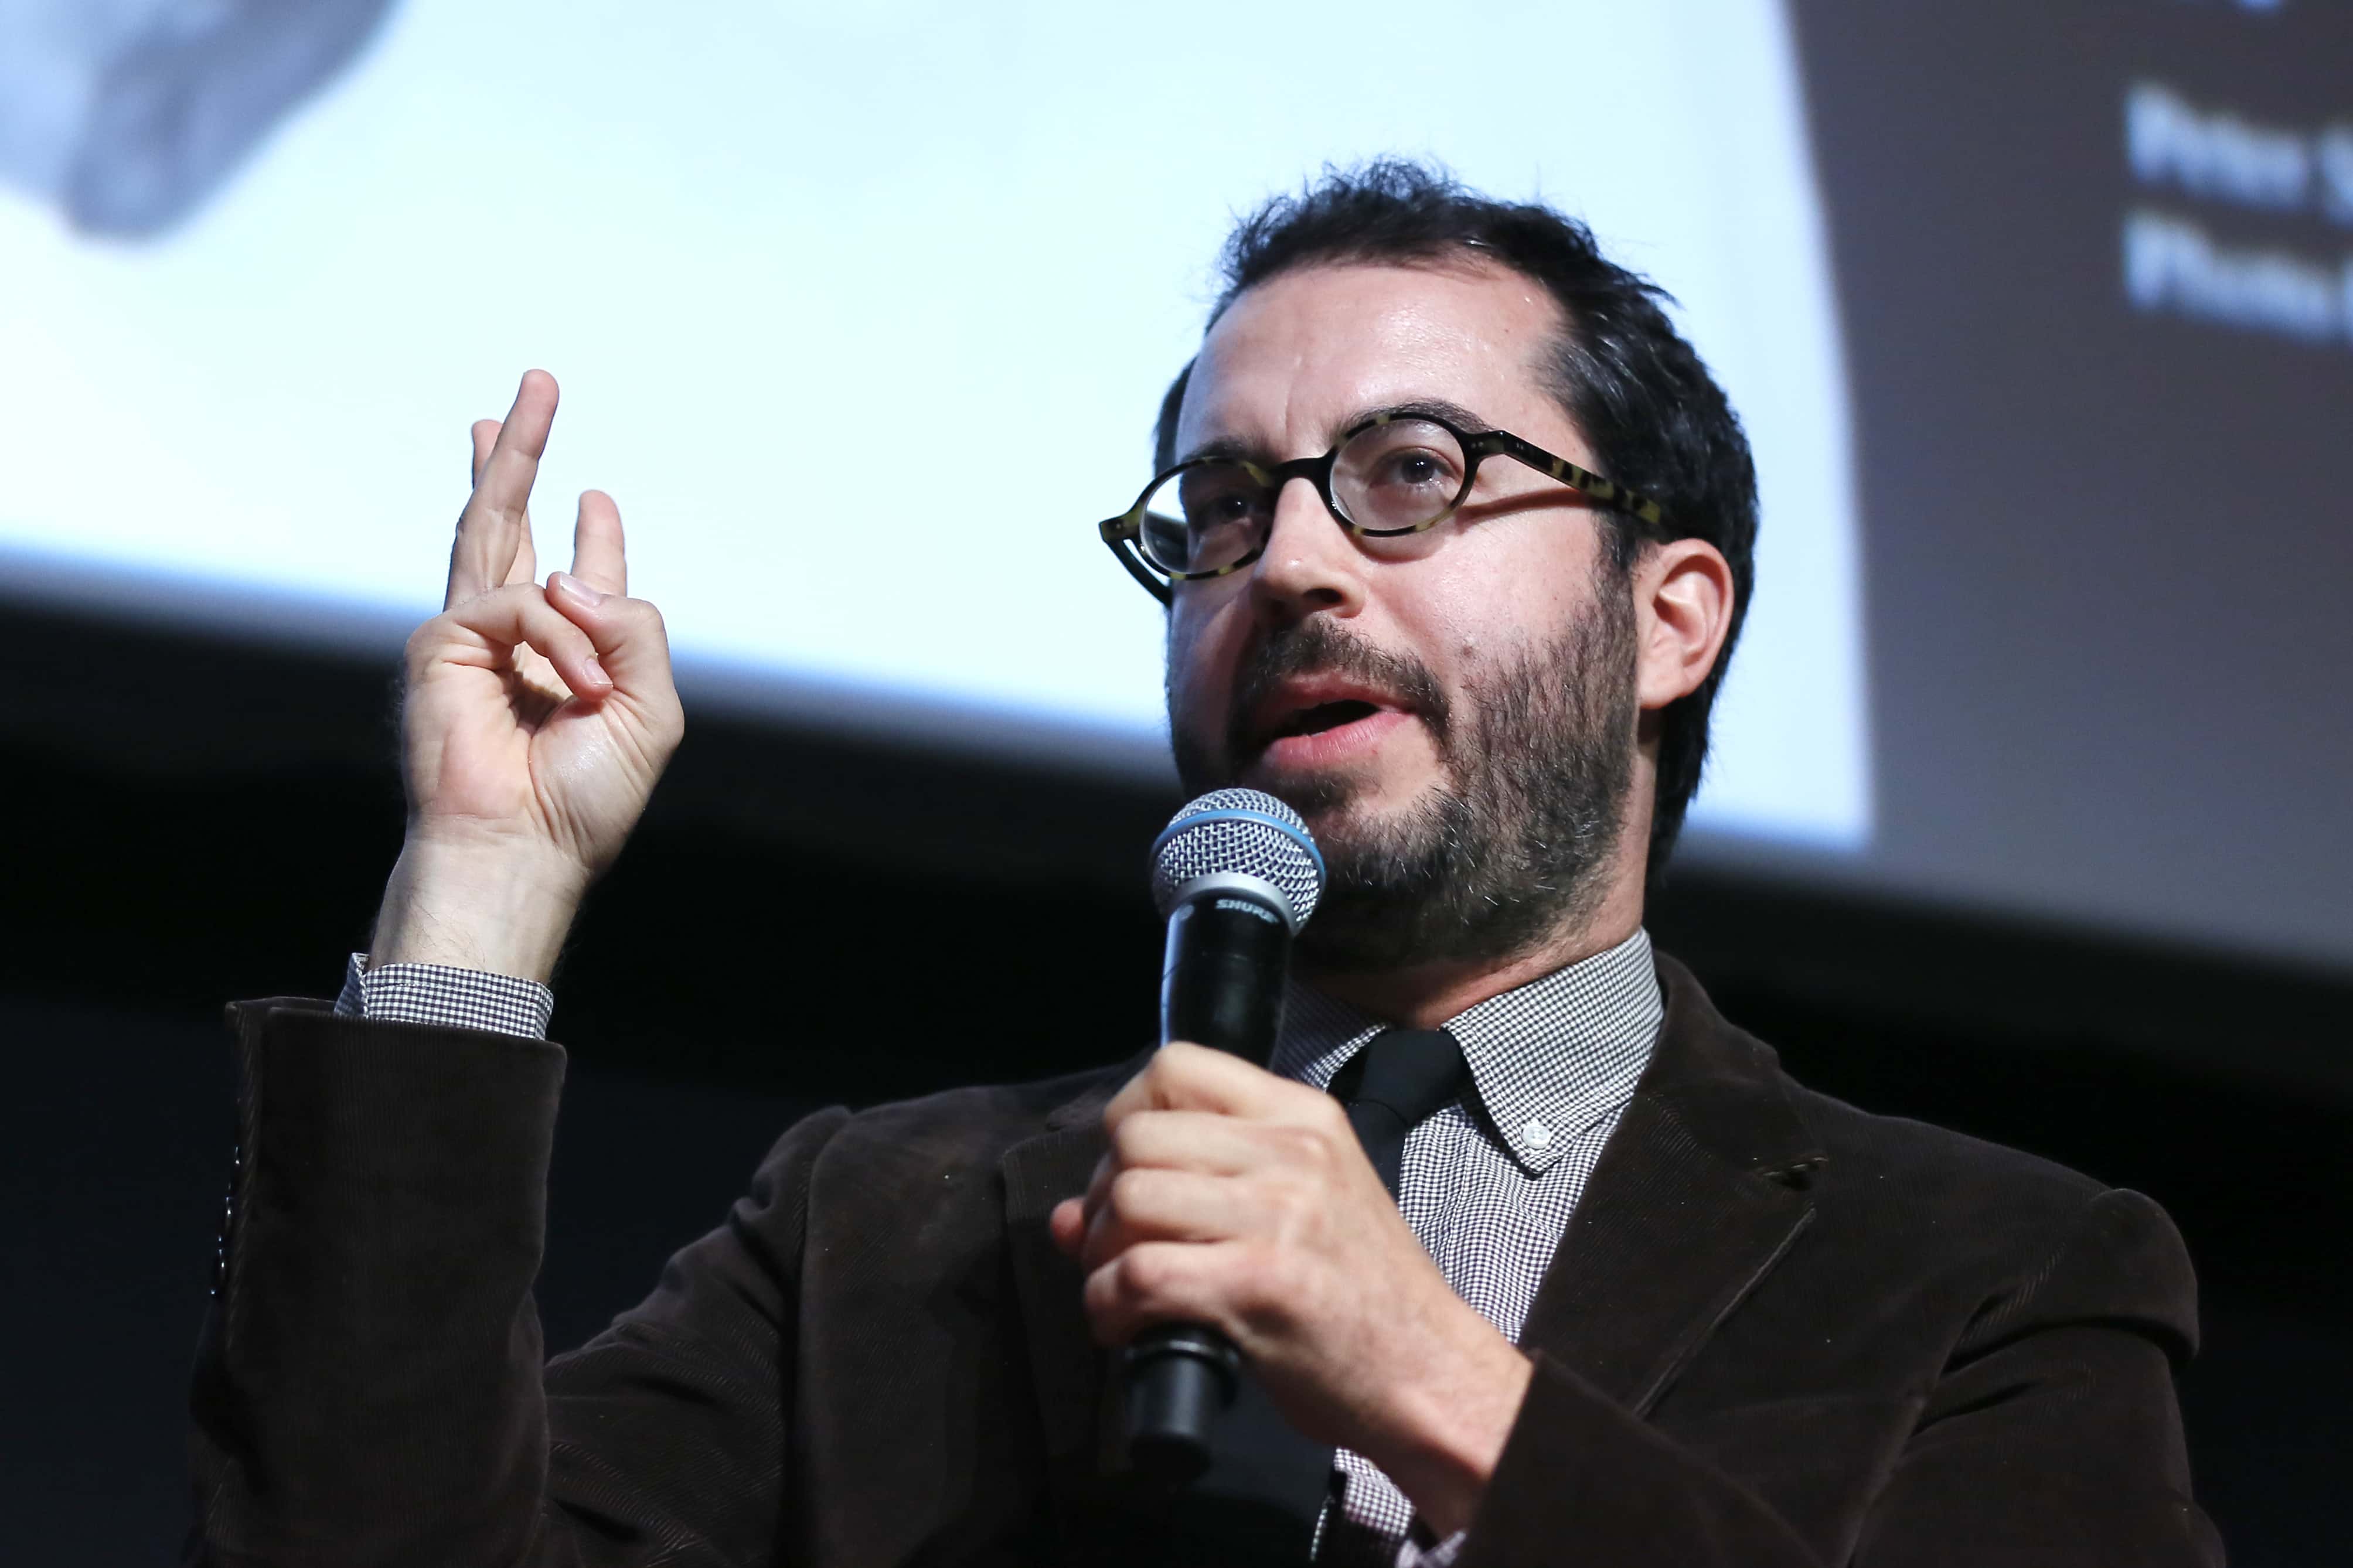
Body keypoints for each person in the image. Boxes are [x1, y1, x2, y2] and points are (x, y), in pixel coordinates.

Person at [187, 163, 2219, 1566]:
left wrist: (1439, 1384)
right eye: (1228, 507)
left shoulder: (1986, 1277)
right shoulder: (891, 1225)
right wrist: (478, 889)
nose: (1298, 562)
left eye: (1414, 477)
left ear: (1672, 617)